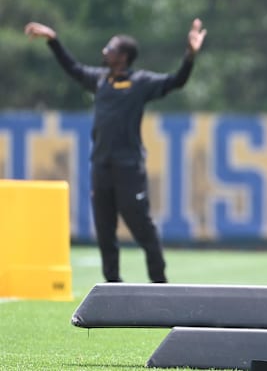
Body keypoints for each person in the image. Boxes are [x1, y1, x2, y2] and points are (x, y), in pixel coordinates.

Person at [24, 19, 207, 283]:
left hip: (128, 167)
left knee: (141, 227)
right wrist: (53, 40)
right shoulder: (100, 81)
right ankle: (112, 286)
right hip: (101, 166)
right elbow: (73, 69)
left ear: (123, 56)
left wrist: (190, 56)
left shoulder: (140, 82)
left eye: (110, 48)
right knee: (104, 230)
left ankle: (159, 283)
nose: (104, 52)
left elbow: (176, 81)